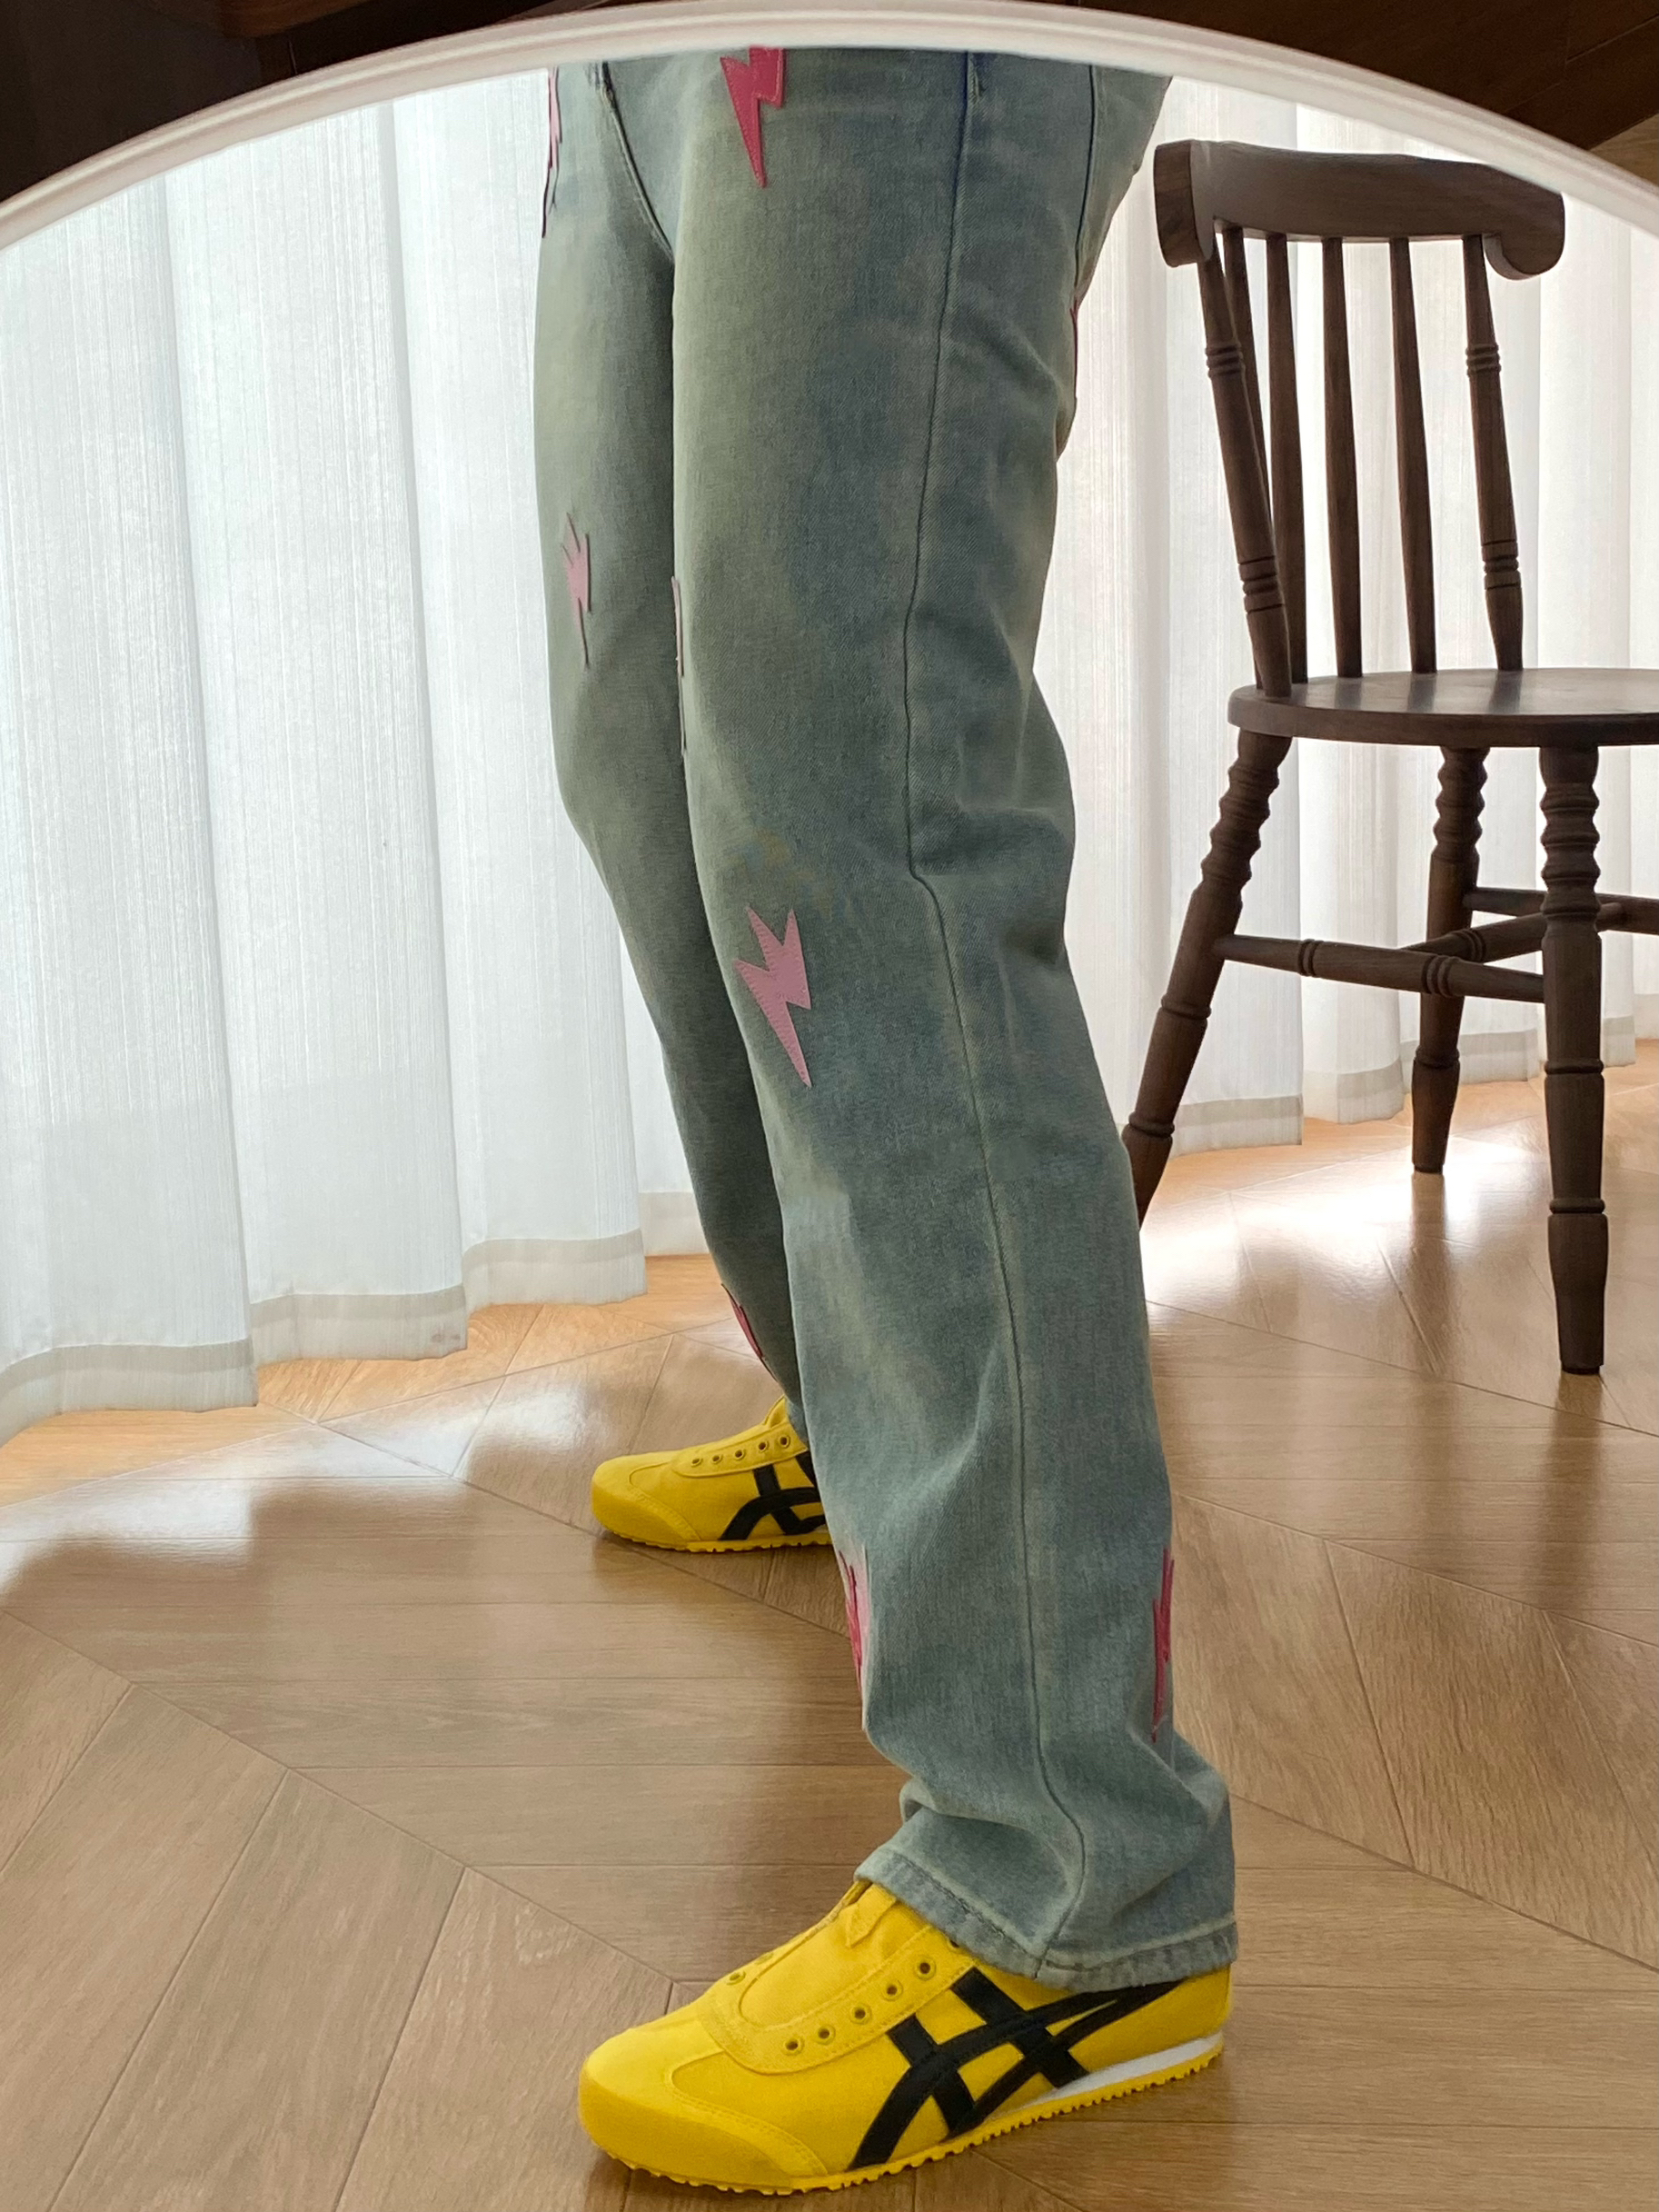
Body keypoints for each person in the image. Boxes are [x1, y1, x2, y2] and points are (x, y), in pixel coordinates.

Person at [532, 45, 1235, 2196]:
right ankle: (867, 1426)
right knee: (647, 756)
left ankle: (1069, 1861)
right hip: (619, 57)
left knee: (862, 809)